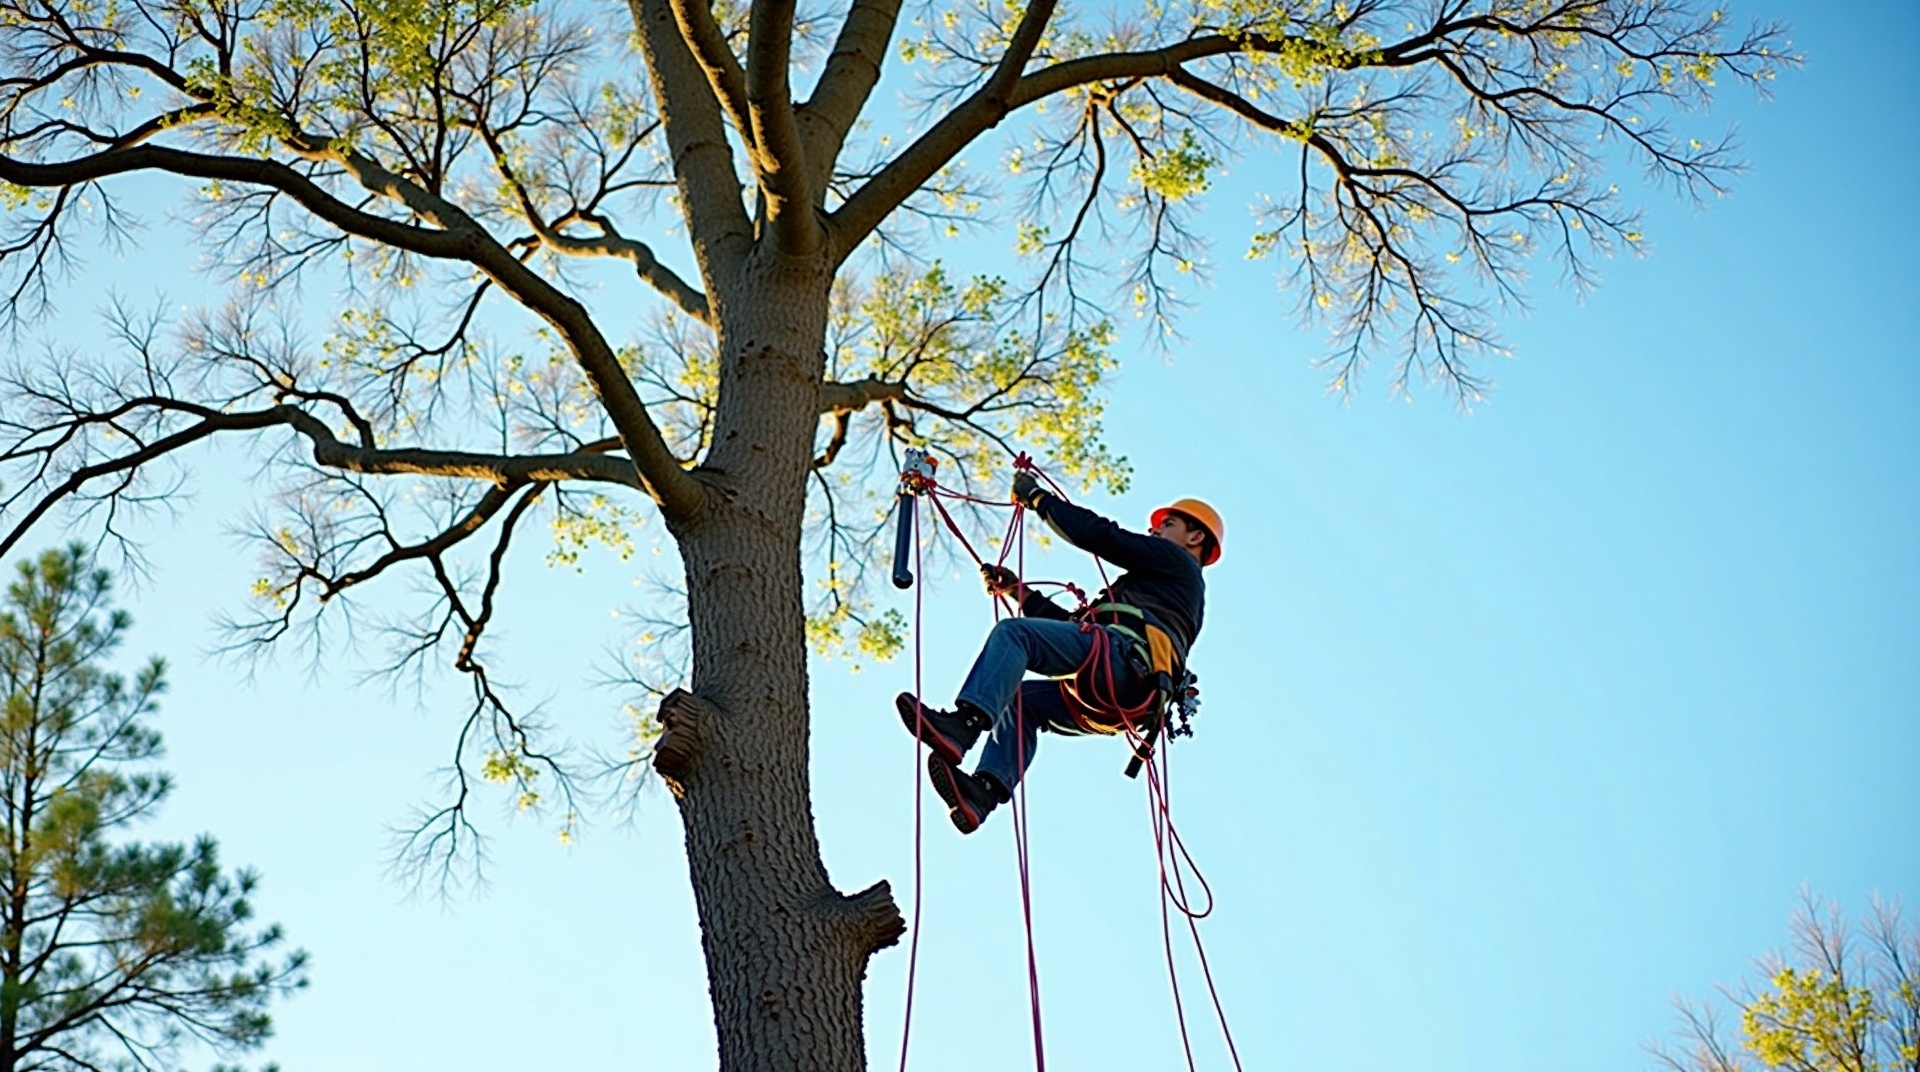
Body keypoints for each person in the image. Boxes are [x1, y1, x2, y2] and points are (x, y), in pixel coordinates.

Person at [897, 470, 1223, 833]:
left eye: (1168, 524)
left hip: (1122, 663)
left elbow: (1101, 535)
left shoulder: (1179, 564)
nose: (1154, 531)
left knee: (1014, 635)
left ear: (1195, 536)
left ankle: (963, 726)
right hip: (1119, 692)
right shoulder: (1158, 592)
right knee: (1021, 703)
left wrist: (1038, 498)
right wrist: (1019, 592)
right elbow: (1072, 629)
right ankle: (982, 793)